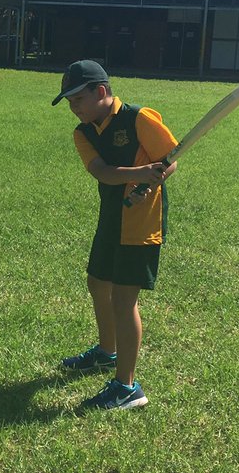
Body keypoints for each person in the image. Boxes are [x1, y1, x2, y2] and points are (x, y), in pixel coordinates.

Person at [52, 59, 177, 411]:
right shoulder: (84, 133)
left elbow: (169, 159)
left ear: (101, 92)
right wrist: (136, 174)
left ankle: (127, 387)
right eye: (70, 103)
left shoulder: (139, 119)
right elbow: (103, 172)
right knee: (97, 282)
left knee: (123, 301)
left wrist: (154, 176)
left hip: (141, 223)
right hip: (112, 217)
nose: (73, 108)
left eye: (77, 100)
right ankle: (108, 352)